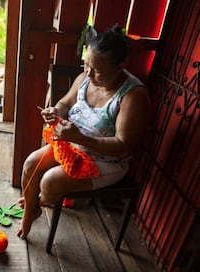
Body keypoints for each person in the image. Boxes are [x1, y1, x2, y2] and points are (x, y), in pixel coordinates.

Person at [16, 26, 151, 239]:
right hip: (72, 147)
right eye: (87, 65)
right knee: (30, 164)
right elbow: (65, 103)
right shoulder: (86, 78)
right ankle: (31, 210)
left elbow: (123, 145)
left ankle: (38, 200)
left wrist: (79, 137)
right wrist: (55, 111)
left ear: (120, 67)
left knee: (48, 183)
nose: (88, 73)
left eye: (97, 70)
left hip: (105, 162)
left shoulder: (133, 96)